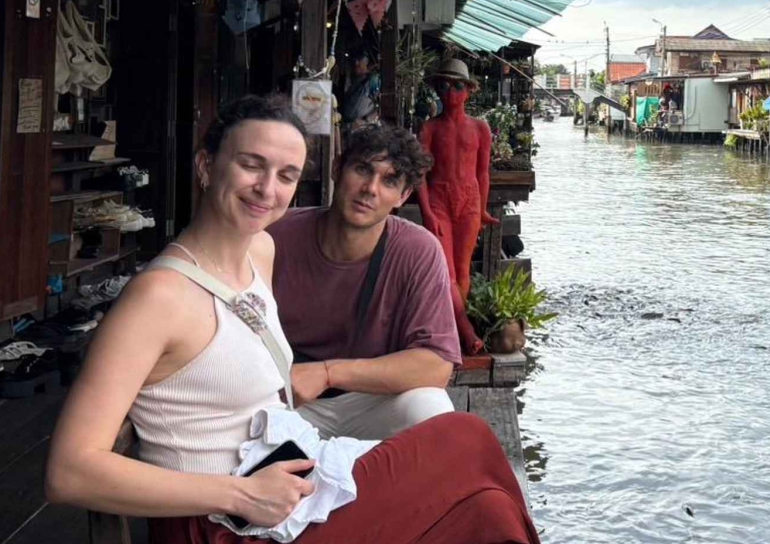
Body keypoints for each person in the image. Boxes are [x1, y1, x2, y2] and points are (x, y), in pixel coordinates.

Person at [44, 95, 536, 543]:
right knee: (467, 447)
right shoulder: (159, 297)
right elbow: (69, 473)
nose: (266, 189)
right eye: (250, 165)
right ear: (205, 165)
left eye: (286, 175)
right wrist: (237, 496)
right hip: (229, 522)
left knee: (487, 501)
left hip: (289, 476)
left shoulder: (260, 251)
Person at [268, 123, 465, 441]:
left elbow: (435, 365)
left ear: (403, 196)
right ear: (337, 168)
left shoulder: (417, 250)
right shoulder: (276, 237)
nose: (370, 189)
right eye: (362, 169)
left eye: (389, 181)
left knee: (432, 411)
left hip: (373, 400)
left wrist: (328, 373)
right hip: (287, 396)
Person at [416, 59, 497, 301]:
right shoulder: (429, 129)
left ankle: (456, 330)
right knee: (446, 270)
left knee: (462, 269)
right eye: (444, 86)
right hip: (439, 199)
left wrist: (481, 208)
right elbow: (420, 172)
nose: (450, 92)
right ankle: (460, 331)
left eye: (457, 86)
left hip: (469, 201)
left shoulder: (480, 128)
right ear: (437, 90)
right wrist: (427, 212)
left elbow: (482, 172)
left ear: (469, 91)